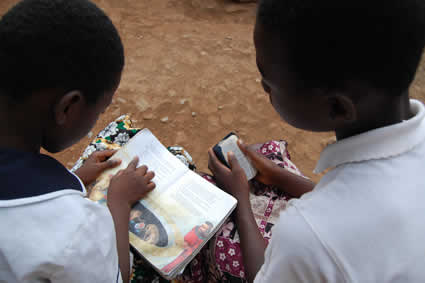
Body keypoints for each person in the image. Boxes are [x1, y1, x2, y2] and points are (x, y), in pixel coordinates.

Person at [208, 0, 425, 282]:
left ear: (337, 107)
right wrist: (278, 176)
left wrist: (241, 201)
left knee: (220, 241)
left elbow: (263, 275)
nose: (263, 87)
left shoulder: (306, 238)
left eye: (269, 82)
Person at [0, 1, 155, 283]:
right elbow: (117, 275)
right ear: (68, 108)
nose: (99, 117)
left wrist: (76, 178)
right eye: (101, 108)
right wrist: (118, 203)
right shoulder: (76, 229)